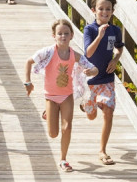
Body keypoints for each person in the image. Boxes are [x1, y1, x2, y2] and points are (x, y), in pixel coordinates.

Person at [25, 19, 98, 173]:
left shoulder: (75, 55)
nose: (63, 36)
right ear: (54, 36)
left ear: (72, 35)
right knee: (53, 133)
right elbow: (29, 62)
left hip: (66, 96)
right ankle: (48, 111)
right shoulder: (48, 52)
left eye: (66, 33)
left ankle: (63, 160)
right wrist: (28, 83)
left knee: (67, 127)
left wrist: (91, 71)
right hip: (51, 96)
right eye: (60, 33)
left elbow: (93, 68)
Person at [83, 0, 125, 166]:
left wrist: (115, 60)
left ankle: (102, 150)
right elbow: (88, 53)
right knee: (91, 115)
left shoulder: (115, 30)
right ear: (94, 10)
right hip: (90, 79)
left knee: (108, 111)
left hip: (107, 79)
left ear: (112, 11)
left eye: (108, 9)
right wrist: (99, 36)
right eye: (101, 9)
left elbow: (119, 49)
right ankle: (87, 106)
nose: (105, 12)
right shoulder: (90, 30)